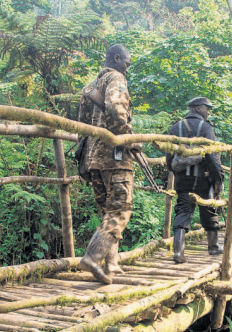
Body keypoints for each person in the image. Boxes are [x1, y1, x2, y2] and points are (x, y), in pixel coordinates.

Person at [78, 44, 141, 284]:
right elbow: (116, 113)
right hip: (114, 157)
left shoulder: (90, 86)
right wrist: (129, 139)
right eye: (127, 62)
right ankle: (93, 257)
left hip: (94, 159)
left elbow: (82, 125)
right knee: (119, 209)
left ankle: (111, 264)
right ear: (116, 59)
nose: (128, 67)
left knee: (107, 212)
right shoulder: (116, 79)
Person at [166, 97, 224, 264]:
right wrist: (218, 178)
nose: (208, 111)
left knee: (183, 211)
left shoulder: (175, 127)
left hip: (182, 179)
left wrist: (175, 171)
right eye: (207, 108)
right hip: (203, 179)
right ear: (198, 108)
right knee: (209, 210)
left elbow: (169, 156)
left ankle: (178, 252)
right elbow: (213, 156)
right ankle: (213, 247)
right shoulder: (206, 127)